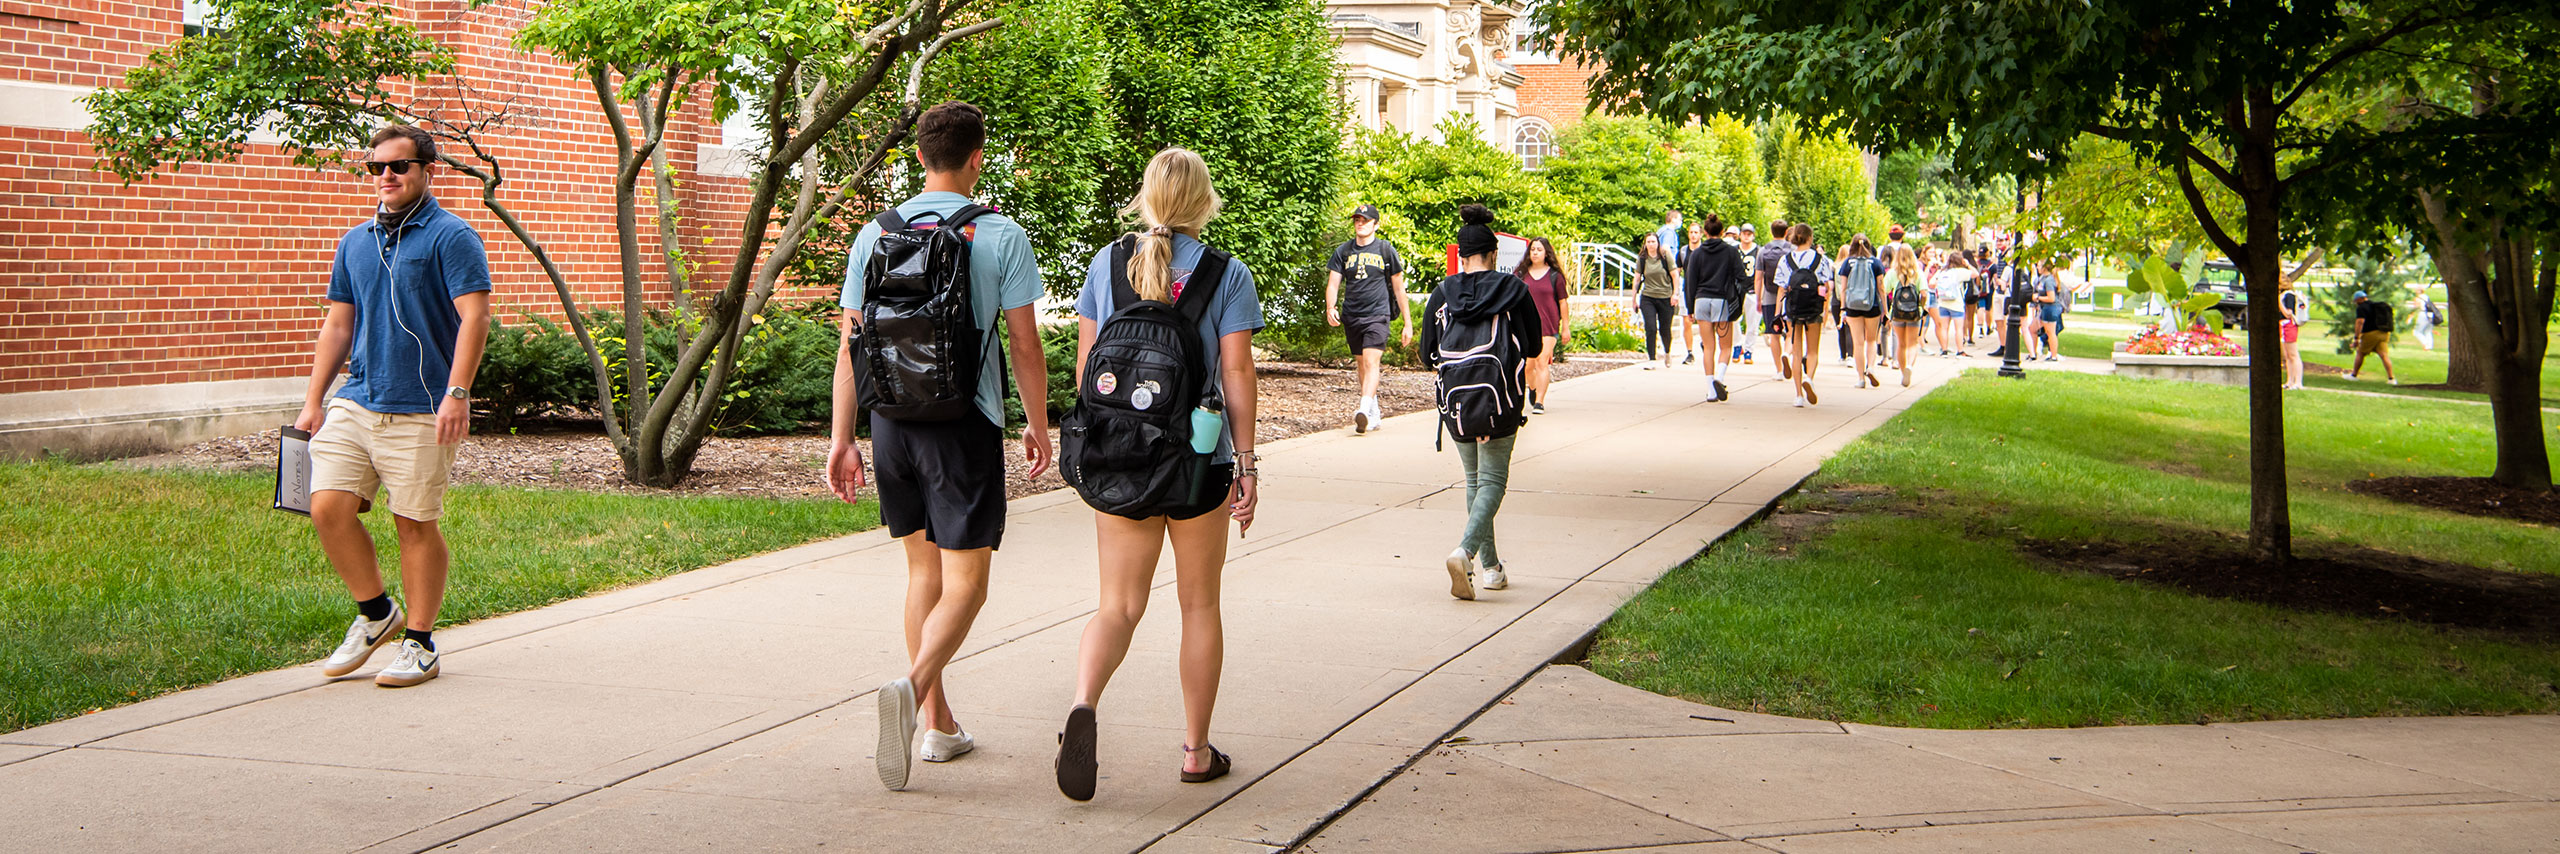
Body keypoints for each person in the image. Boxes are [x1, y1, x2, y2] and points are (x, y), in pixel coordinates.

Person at [829, 102, 1053, 792]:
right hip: (964, 422)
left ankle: (938, 727)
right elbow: (1022, 342)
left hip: (892, 422)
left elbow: (851, 344)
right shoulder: (1001, 234)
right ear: (977, 157)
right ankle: (911, 686)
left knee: (922, 576)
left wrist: (841, 439)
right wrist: (1039, 425)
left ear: (920, 157)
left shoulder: (875, 234)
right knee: (968, 585)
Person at [1055, 147, 1264, 802]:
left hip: (1120, 459)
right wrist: (1248, 461)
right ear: (1205, 203)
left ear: (1146, 199)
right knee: (1198, 604)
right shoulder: (1227, 275)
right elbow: (1237, 374)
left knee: (1117, 604)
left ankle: (1084, 705)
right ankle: (1197, 752)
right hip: (1198, 463)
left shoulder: (1107, 264)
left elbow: (1090, 369)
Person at [298, 124, 491, 690]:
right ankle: (378, 612)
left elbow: (474, 317)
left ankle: (421, 643)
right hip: (357, 399)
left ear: (427, 170)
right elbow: (339, 322)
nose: (387, 176)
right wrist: (314, 399)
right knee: (327, 507)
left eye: (399, 166)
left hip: (423, 404)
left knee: (414, 522)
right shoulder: (356, 241)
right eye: (377, 167)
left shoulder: (451, 237)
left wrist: (457, 393)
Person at [1423, 204, 1541, 602]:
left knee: (1475, 481)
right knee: (1492, 481)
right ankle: (1466, 553)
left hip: (1455, 404)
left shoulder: (1442, 293)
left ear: (1460, 255)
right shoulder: (1513, 290)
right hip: (1499, 400)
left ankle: (1492, 569)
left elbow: (1428, 354)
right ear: (1494, 255)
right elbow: (1534, 345)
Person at [1325, 204, 1411, 434]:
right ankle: (1373, 410)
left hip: (1378, 314)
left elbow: (1399, 289)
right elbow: (1333, 283)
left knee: (1372, 362)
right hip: (1352, 315)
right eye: (1357, 220)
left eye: (1365, 220)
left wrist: (1408, 323)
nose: (1360, 224)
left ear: (1376, 224)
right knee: (1361, 364)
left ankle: (1363, 409)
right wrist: (1330, 307)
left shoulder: (1385, 250)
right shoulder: (1343, 251)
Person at [1685, 215, 1743, 401]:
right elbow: (1741, 277)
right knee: (1726, 346)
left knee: (1708, 347)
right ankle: (1720, 377)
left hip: (1701, 300)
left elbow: (1690, 281)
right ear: (1721, 231)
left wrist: (1690, 307)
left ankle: (1711, 389)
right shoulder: (1730, 252)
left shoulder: (1697, 253)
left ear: (1705, 232)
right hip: (1722, 301)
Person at [1776, 223, 1832, 407]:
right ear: (1810, 238)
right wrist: (1824, 305)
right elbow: (1826, 285)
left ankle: (1798, 395)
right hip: (1813, 306)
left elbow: (1782, 288)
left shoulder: (1786, 260)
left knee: (1797, 350)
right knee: (1813, 350)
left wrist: (1778, 313)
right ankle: (1809, 377)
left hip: (1793, 308)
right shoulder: (1820, 259)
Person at [1513, 237, 1571, 414]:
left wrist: (1565, 327)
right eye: (1533, 249)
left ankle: (1539, 402)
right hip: (1526, 325)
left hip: (1548, 325)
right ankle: (1533, 387)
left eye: (1539, 249)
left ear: (1546, 253)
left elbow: (1562, 302)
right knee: (1527, 366)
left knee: (1541, 361)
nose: (1535, 253)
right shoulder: (1521, 274)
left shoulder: (1555, 276)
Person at [1835, 235, 1887, 389]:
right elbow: (1881, 288)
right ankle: (1870, 367)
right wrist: (1885, 308)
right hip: (1872, 306)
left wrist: (1843, 308)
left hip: (1852, 306)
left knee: (1858, 343)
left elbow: (1843, 288)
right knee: (1871, 340)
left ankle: (1860, 378)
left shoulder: (1847, 263)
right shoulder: (1875, 263)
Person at [1754, 219, 1794, 379]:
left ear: (1771, 232)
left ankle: (1779, 370)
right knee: (1791, 332)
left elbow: (1758, 278)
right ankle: (1787, 353)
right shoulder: (1793, 250)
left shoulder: (1763, 251)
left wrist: (1758, 299)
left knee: (1773, 333)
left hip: (1769, 296)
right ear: (1786, 232)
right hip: (1789, 296)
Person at [1655, 209, 1696, 364]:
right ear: (1672, 219)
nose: (1681, 222)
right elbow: (1665, 249)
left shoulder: (1660, 231)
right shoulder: (1669, 232)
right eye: (1680, 219)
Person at [1885, 243, 1928, 387]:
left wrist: (1886, 309)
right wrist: (1921, 306)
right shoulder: (1918, 273)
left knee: (1901, 344)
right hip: (1914, 313)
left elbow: (1884, 291)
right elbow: (1924, 293)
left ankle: (1903, 372)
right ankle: (1910, 365)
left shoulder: (1892, 273)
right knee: (1912, 343)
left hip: (1897, 312)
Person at [1634, 232, 1678, 371]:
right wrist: (1634, 298)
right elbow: (1636, 279)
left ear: (1658, 243)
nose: (1651, 244)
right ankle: (1652, 358)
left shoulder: (1665, 256)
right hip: (1648, 297)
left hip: (1665, 296)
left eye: (1653, 241)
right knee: (1651, 327)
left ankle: (1667, 352)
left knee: (1665, 329)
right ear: (1645, 244)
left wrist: (1675, 294)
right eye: (1648, 242)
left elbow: (1675, 275)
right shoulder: (1642, 259)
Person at [1931, 250, 1975, 357]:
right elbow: (1976, 274)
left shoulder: (1942, 271)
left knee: (1944, 328)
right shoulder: (1959, 272)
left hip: (1943, 302)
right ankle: (1960, 350)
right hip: (1956, 303)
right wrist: (1968, 264)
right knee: (1958, 328)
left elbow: (1931, 283)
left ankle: (1944, 350)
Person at [2348, 290, 2399, 385]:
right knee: (2384, 355)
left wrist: (2356, 338)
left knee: (2361, 352)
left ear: (2359, 299)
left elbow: (2360, 322)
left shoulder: (2362, 308)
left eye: (2356, 301)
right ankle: (2391, 378)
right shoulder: (2375, 306)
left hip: (2371, 333)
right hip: (2384, 333)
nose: (2356, 303)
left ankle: (2354, 375)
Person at [1731, 224, 1758, 365]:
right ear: (1740, 235)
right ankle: (1737, 345)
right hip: (1736, 291)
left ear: (1753, 235)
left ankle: (1749, 350)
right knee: (1734, 320)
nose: (1746, 236)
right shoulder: (1734, 250)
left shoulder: (1758, 251)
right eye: (1744, 233)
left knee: (1752, 323)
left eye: (1749, 234)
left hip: (1753, 290)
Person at [2277, 276, 2308, 390]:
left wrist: (2279, 303)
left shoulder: (2288, 295)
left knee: (2293, 354)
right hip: (2283, 326)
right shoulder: (2283, 295)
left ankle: (2298, 382)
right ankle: (2290, 381)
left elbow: (2288, 313)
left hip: (2289, 325)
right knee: (2288, 356)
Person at [2029, 261, 2064, 361]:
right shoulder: (2042, 279)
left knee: (2050, 332)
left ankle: (2053, 356)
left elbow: (2051, 298)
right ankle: (2033, 353)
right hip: (2043, 308)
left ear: (2045, 267)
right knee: (2032, 329)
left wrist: (2039, 298)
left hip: (2051, 308)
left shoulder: (2049, 280)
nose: (2037, 267)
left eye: (2039, 265)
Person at [2409, 287, 2440, 351]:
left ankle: (2425, 344)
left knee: (2416, 332)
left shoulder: (2418, 298)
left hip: (2423, 314)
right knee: (2428, 331)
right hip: (2431, 315)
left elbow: (2415, 308)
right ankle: (2429, 346)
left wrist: (2410, 318)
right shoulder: (2426, 297)